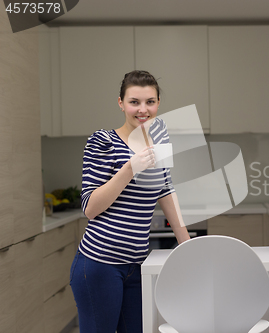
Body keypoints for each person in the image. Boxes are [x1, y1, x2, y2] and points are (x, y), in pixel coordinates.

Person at [70, 70, 190, 333]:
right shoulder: (103, 141)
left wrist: (188, 246)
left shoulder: (160, 143)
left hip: (137, 265)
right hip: (99, 264)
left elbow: (166, 191)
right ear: (121, 103)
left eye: (150, 102)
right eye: (134, 102)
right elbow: (90, 208)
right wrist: (128, 169)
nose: (143, 109)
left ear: (158, 103)